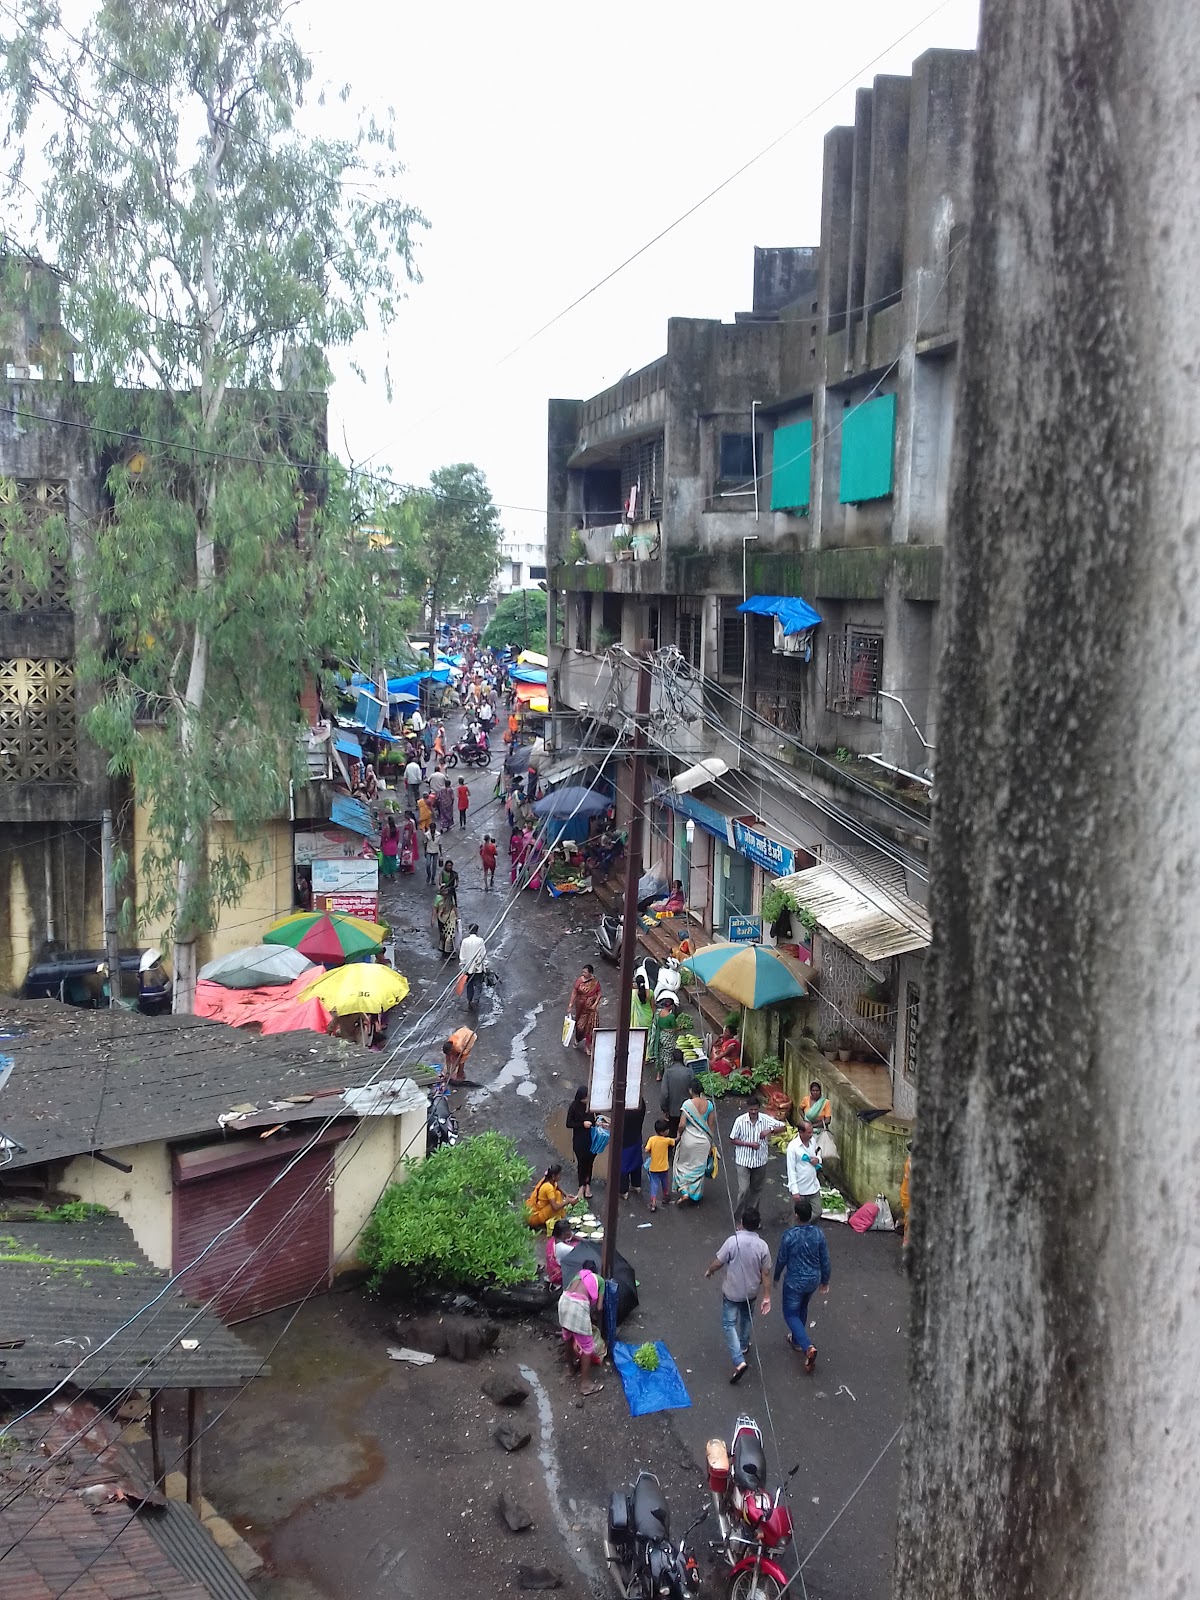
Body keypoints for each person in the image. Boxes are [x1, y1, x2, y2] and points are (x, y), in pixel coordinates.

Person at [705, 1206, 772, 1384]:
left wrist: (710, 1271)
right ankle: (743, 1345)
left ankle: (738, 1360)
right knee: (747, 1317)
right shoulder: (763, 1246)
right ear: (757, 1225)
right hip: (751, 1291)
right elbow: (765, 1274)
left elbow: (719, 1262)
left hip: (732, 1291)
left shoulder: (732, 1241)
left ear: (741, 1223)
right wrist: (767, 1296)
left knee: (728, 1324)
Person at [774, 1197, 831, 1373]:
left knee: (790, 1314)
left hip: (794, 1281)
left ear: (797, 1216)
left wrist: (775, 1277)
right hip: (812, 1279)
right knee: (803, 1307)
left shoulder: (790, 1236)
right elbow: (825, 1259)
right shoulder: (818, 1234)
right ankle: (797, 1341)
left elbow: (781, 1259)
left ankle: (807, 1346)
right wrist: (825, 1280)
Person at [730, 1096, 787, 1222]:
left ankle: (752, 1219)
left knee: (756, 1190)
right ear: (747, 1109)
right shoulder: (740, 1121)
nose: (753, 1112)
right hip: (743, 1160)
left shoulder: (765, 1119)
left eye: (755, 1109)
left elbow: (783, 1127)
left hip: (760, 1161)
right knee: (744, 1190)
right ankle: (739, 1218)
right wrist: (748, 1144)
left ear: (759, 1108)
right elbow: (732, 1139)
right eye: (751, 1110)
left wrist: (770, 1130)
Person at [558, 1264, 605, 1397]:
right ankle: (585, 1385)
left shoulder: (578, 1276)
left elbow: (571, 1291)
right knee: (587, 1346)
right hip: (578, 1306)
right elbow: (600, 1308)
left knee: (567, 1336)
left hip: (564, 1301)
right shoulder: (600, 1280)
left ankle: (571, 1368)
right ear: (595, 1271)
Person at [672, 1080, 718, 1204]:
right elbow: (711, 1125)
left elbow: (682, 1124)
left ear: (690, 1090)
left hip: (689, 1139)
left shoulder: (687, 1104)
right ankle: (695, 1194)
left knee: (683, 1166)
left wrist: (678, 1135)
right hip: (704, 1141)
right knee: (698, 1168)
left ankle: (684, 1191)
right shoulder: (709, 1105)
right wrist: (710, 1144)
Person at [785, 1121, 823, 1221]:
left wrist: (818, 1159)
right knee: (796, 1218)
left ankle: (807, 1229)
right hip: (800, 1189)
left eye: (811, 1132)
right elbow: (791, 1170)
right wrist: (795, 1191)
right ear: (801, 1132)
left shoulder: (813, 1141)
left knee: (817, 1211)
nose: (811, 1135)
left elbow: (818, 1153)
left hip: (813, 1186)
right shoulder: (793, 1147)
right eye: (809, 1132)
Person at [565, 1085, 596, 1198]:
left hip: (591, 1139)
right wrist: (582, 1124)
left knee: (589, 1163)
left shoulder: (591, 1106)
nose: (587, 1100)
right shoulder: (573, 1107)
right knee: (581, 1163)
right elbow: (568, 1123)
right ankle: (581, 1185)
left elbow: (596, 1119)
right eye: (585, 1098)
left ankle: (587, 1184)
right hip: (579, 1140)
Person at [526, 1162, 577, 1229]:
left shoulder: (548, 1180)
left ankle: (556, 1220)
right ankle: (556, 1223)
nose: (560, 1176)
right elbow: (555, 1207)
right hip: (534, 1217)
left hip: (535, 1211)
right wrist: (567, 1201)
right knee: (556, 1204)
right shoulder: (548, 1187)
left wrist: (566, 1195)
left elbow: (557, 1186)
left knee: (558, 1193)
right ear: (553, 1176)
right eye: (559, 1175)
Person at [568, 963, 603, 1053]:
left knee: (591, 1027)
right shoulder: (580, 981)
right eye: (583, 972)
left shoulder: (595, 982)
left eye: (585, 972)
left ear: (590, 973)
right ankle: (577, 1039)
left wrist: (595, 1004)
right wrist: (570, 1004)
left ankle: (587, 1046)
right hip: (581, 1008)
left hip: (591, 1009)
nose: (583, 973)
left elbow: (599, 994)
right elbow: (574, 992)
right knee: (580, 1026)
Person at [659, 1048, 693, 1142]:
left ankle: (672, 1151)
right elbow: (693, 1090)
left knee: (672, 1132)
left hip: (672, 1109)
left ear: (672, 1059)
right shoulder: (689, 1072)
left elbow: (664, 1093)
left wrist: (664, 1108)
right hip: (686, 1109)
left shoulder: (668, 1073)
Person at [643, 1118, 676, 1212]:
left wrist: (651, 1151)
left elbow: (646, 1150)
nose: (668, 1131)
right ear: (662, 1132)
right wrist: (679, 1134)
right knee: (665, 1182)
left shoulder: (652, 1139)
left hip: (653, 1167)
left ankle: (653, 1203)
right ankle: (665, 1195)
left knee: (654, 1184)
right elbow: (675, 1141)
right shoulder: (666, 1141)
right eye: (667, 1130)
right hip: (664, 1167)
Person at [619, 1096, 646, 1200]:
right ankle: (636, 1184)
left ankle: (623, 1190)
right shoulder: (640, 1103)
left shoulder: (625, 1110)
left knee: (623, 1165)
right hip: (636, 1136)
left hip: (625, 1140)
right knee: (636, 1161)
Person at [544, 1217, 580, 1289]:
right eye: (569, 1231)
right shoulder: (563, 1248)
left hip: (552, 1271)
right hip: (560, 1278)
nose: (571, 1233)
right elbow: (580, 1254)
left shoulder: (552, 1240)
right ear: (563, 1234)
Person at [458, 922, 487, 1011]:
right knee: (478, 984)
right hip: (478, 967)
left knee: (469, 984)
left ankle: (470, 999)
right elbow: (483, 954)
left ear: (469, 930)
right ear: (477, 931)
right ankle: (476, 999)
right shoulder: (480, 941)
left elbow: (462, 955)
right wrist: (485, 965)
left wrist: (462, 967)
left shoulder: (465, 941)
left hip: (467, 968)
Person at [432, 890, 458, 956]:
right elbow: (435, 909)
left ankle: (447, 950)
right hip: (441, 919)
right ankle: (443, 947)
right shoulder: (438, 898)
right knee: (442, 933)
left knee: (449, 934)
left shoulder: (450, 898)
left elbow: (454, 907)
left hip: (449, 919)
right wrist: (433, 919)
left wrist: (457, 917)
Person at [423, 820, 442, 885]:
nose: (432, 830)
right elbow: (425, 843)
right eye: (432, 829)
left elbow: (439, 844)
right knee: (428, 864)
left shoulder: (438, 835)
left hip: (436, 851)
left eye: (433, 828)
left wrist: (441, 853)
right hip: (429, 851)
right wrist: (425, 851)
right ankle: (429, 875)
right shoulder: (426, 835)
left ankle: (433, 878)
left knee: (434, 866)